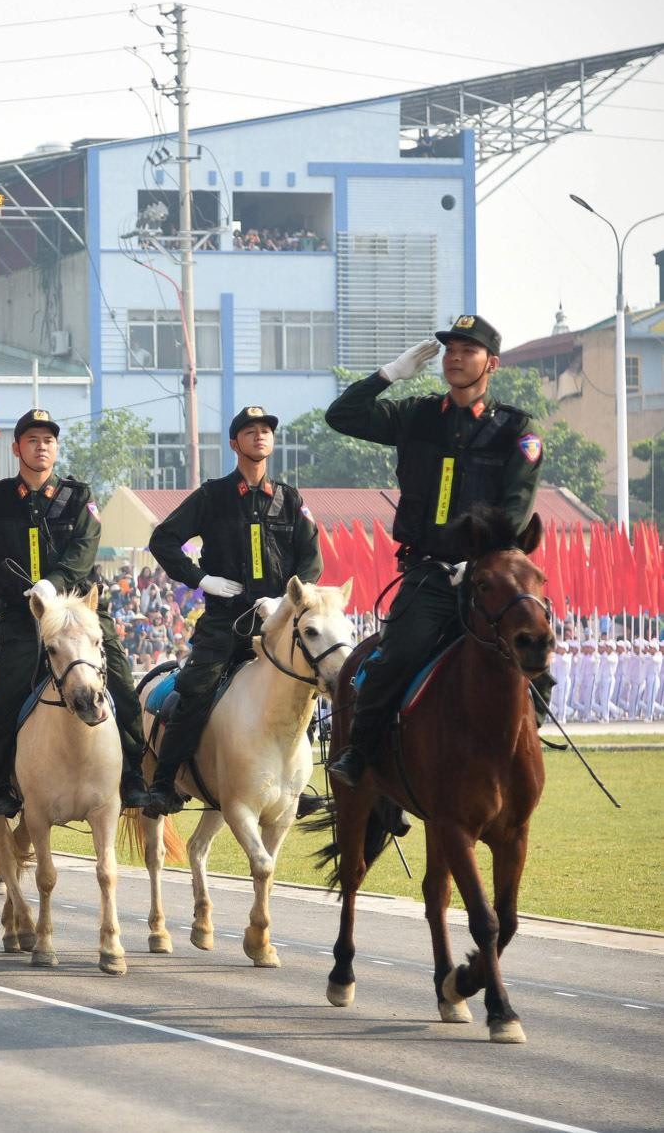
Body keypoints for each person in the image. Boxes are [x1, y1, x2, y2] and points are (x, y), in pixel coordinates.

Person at [325, 316, 544, 787]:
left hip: (487, 576)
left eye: (468, 350)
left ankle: (529, 744)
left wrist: (486, 559)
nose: (455, 358)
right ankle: (360, 755)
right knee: (395, 658)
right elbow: (340, 417)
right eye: (450, 350)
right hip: (429, 574)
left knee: (533, 643)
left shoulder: (516, 430)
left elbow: (518, 507)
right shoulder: (416, 415)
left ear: (493, 364)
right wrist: (387, 375)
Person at [0, 408, 150, 816]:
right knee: (5, 699)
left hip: (80, 614)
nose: (42, 447)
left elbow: (83, 550)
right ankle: (0, 784)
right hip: (25, 619)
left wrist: (54, 584)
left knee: (125, 690)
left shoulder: (78, 496)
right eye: (33, 440)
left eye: (49, 440)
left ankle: (133, 777)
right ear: (16, 447)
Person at [143, 406, 322, 815]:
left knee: (307, 684)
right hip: (226, 621)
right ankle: (164, 782)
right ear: (233, 443)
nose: (260, 436)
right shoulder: (213, 495)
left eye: (265, 431)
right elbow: (163, 540)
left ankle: (296, 781)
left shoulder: (290, 499)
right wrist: (201, 579)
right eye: (250, 431)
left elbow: (312, 560)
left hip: (277, 623)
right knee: (195, 687)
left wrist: (287, 601)